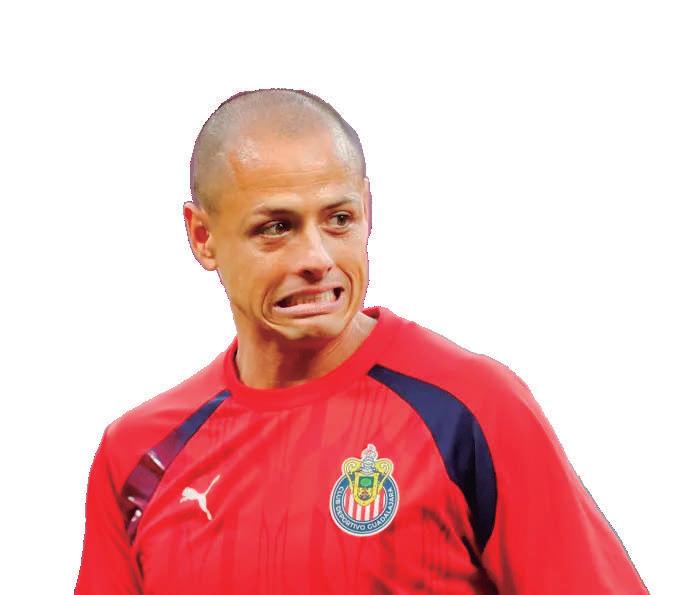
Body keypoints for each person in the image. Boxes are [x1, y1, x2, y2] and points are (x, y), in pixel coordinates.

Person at [75, 88, 648, 594]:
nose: (317, 258)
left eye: (339, 220)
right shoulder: (141, 455)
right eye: (276, 228)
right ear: (203, 237)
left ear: (368, 211)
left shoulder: (470, 409)